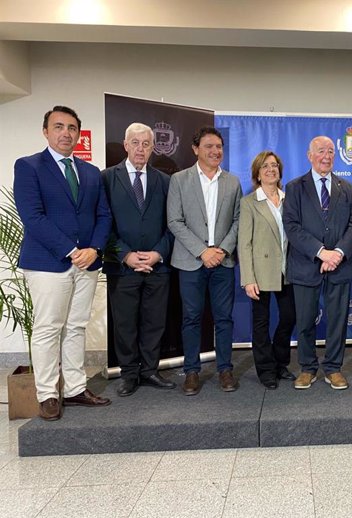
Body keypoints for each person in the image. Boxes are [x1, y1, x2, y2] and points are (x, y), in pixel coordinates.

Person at [14, 106, 112, 421]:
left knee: (76, 327)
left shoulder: (90, 172)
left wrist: (95, 248)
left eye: (72, 128)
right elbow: (33, 217)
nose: (66, 133)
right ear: (46, 131)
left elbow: (103, 215)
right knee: (48, 328)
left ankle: (74, 388)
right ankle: (47, 395)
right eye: (59, 126)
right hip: (48, 263)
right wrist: (72, 250)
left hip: (88, 263)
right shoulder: (29, 167)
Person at [101, 122, 176, 397]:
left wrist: (158, 253)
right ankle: (129, 373)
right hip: (123, 268)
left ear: (153, 148)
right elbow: (101, 224)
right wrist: (126, 255)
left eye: (146, 144)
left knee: (154, 321)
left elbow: (173, 224)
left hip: (158, 266)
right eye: (135, 143)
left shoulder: (165, 181)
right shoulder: (107, 178)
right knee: (125, 323)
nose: (140, 149)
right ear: (125, 145)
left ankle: (150, 370)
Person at [167, 127, 242, 395]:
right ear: (196, 149)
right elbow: (174, 221)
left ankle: (225, 369)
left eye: (219, 146)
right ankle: (191, 372)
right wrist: (202, 250)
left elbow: (237, 220)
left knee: (224, 318)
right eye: (209, 146)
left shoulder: (232, 182)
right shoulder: (179, 180)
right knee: (191, 318)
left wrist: (221, 249)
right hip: (191, 261)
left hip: (223, 261)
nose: (215, 151)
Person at [283, 136, 352, 390]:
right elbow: (292, 227)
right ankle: (307, 367)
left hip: (339, 265)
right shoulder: (295, 187)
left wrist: (336, 252)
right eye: (320, 151)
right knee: (305, 320)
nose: (326, 156)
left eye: (330, 151)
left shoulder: (347, 188)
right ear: (309, 155)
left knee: (338, 320)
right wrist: (320, 252)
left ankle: (333, 368)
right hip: (306, 265)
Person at [238, 151, 296, 389]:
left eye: (274, 166)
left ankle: (280, 363)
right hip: (260, 272)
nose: (271, 169)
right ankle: (265, 370)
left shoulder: (290, 199)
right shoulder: (249, 202)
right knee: (261, 323)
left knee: (289, 317)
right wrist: (248, 279)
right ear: (257, 174)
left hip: (288, 270)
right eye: (265, 167)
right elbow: (244, 243)